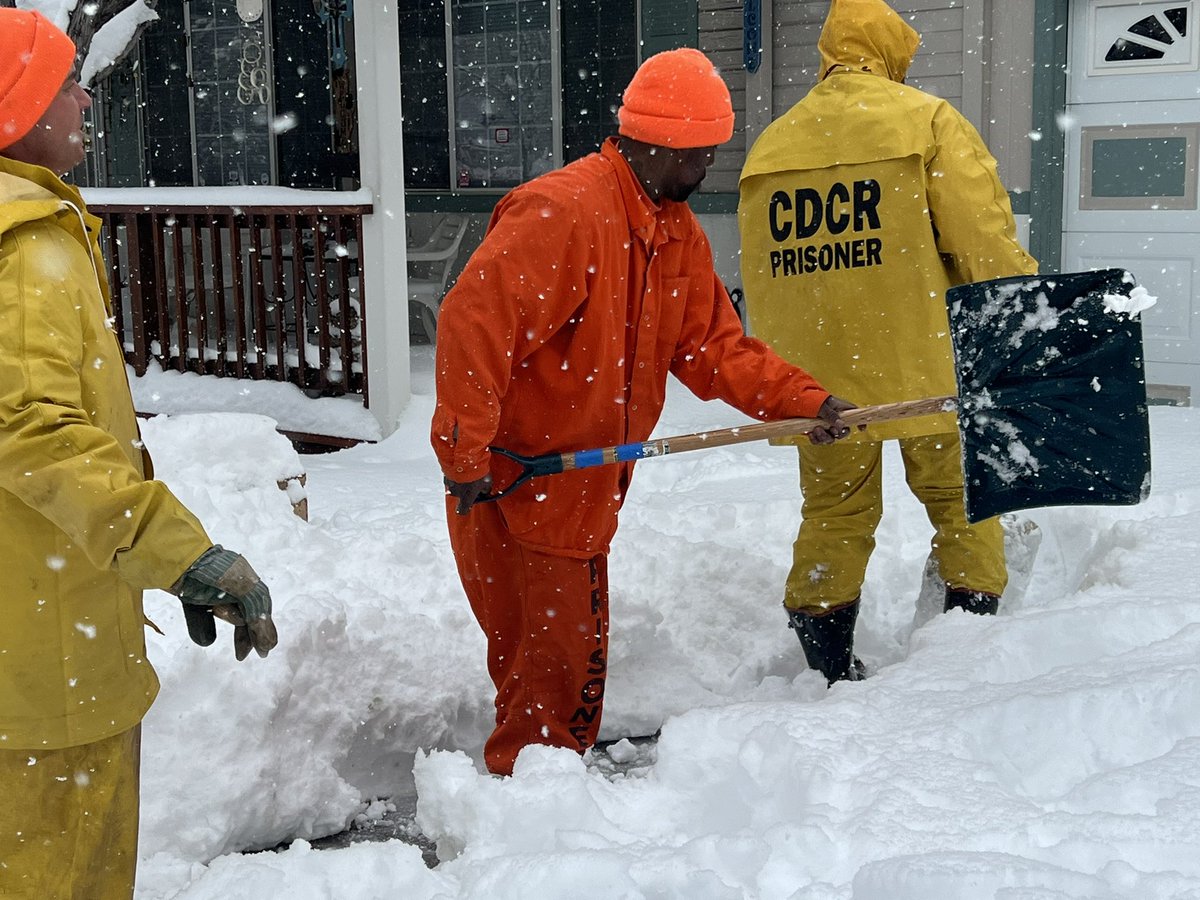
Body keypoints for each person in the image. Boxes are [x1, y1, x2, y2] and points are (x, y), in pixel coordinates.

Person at [432, 47, 855, 777]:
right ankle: (532, 815)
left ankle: (532, 798)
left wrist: (803, 400)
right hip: (521, 484)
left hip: (576, 487)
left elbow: (716, 350)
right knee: (556, 678)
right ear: (665, 144)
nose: (708, 171)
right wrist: (465, 451)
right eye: (704, 155)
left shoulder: (673, 235)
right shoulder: (566, 212)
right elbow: (475, 321)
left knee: (549, 672)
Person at [0, 10, 278, 898]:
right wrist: (183, 556)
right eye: (65, 83)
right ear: (16, 113)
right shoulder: (25, 255)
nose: (86, 98)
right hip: (47, 675)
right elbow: (34, 433)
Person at [738, 0, 1039, 685]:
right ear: (893, 52)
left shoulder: (773, 145)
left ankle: (827, 658)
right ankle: (966, 642)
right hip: (921, 363)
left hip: (818, 389)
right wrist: (1024, 310)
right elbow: (983, 245)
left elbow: (763, 273)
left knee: (835, 515)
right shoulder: (925, 120)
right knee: (962, 501)